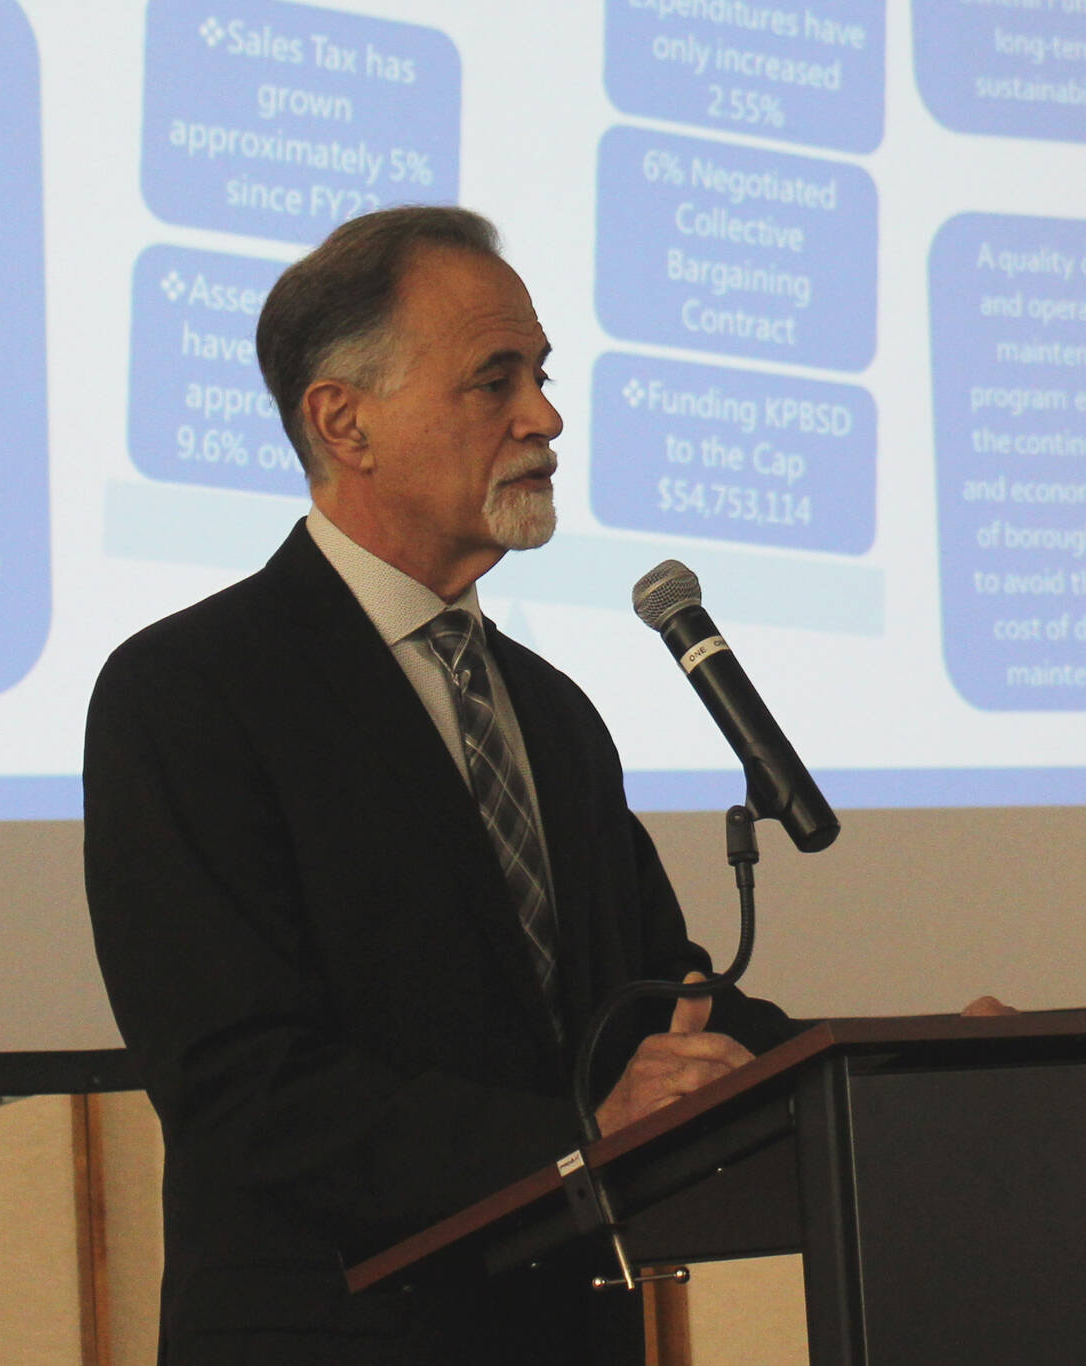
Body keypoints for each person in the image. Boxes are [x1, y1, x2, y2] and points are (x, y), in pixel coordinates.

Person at [84, 206, 795, 1366]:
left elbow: (653, 1006)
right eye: (493, 380)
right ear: (342, 421)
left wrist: (894, 1069)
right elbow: (243, 1087)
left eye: (542, 374)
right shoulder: (188, 693)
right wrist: (576, 1133)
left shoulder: (550, 710)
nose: (546, 416)